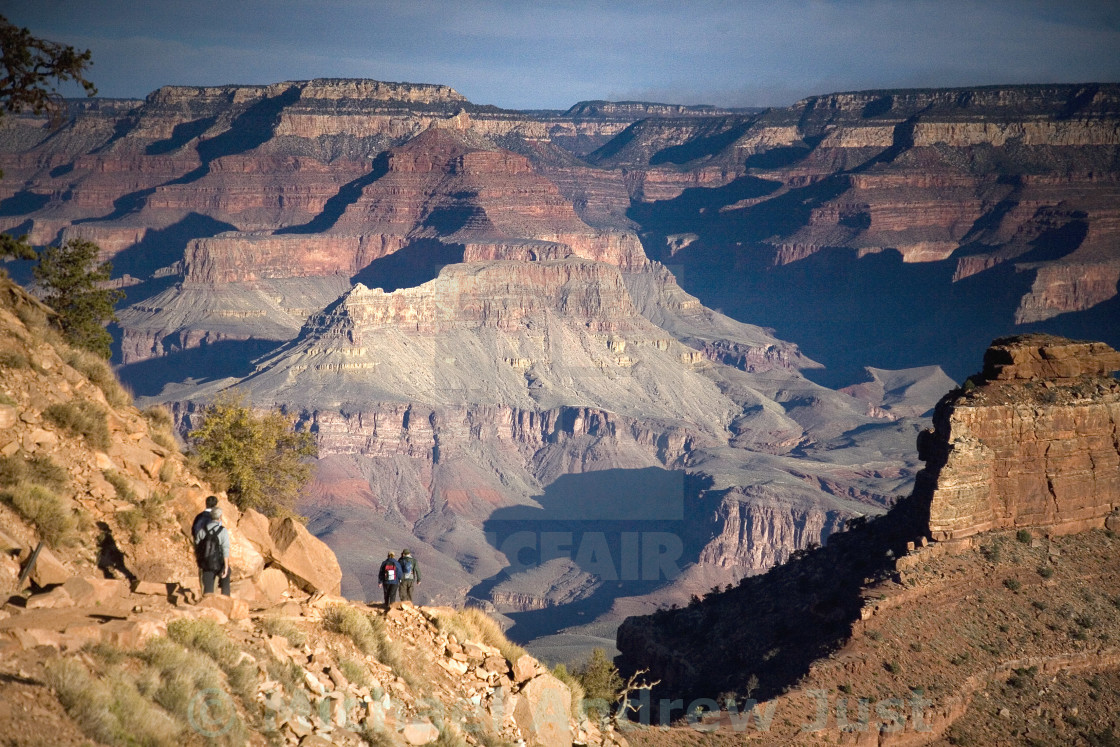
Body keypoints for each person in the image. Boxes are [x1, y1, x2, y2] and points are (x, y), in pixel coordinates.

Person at [194, 507, 230, 596]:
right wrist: (226, 566)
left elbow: (197, 545)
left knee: (208, 590)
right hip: (218, 564)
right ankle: (226, 598)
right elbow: (225, 549)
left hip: (206, 563)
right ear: (220, 517)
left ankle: (207, 604)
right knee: (227, 574)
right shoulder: (223, 530)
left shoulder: (202, 530)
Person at [191, 495, 220, 593]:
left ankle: (204, 591)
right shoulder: (215, 518)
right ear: (216, 505)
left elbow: (194, 531)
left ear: (206, 504)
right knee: (214, 567)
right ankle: (213, 591)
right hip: (213, 546)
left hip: (200, 546)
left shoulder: (199, 517)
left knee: (202, 568)